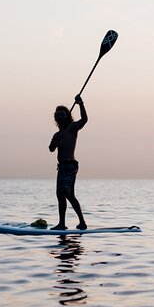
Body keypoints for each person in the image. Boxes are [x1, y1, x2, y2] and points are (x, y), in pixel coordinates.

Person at [49, 95, 88, 230]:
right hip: (63, 167)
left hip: (70, 166)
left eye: (62, 114)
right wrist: (55, 141)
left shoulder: (72, 128)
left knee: (65, 194)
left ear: (67, 116)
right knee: (66, 195)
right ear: (56, 118)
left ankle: (64, 224)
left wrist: (80, 103)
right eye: (58, 115)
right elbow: (51, 149)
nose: (60, 116)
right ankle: (76, 223)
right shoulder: (57, 134)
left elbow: (84, 120)